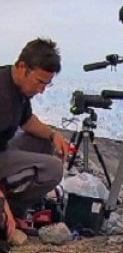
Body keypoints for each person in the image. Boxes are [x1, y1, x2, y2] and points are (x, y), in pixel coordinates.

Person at [0, 38, 70, 240]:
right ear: (23, 67)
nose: (41, 90)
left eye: (47, 84)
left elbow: (27, 120)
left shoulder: (16, 86)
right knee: (53, 168)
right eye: (39, 82)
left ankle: (14, 209)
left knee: (42, 142)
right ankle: (11, 211)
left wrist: (53, 134)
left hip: (3, 148)